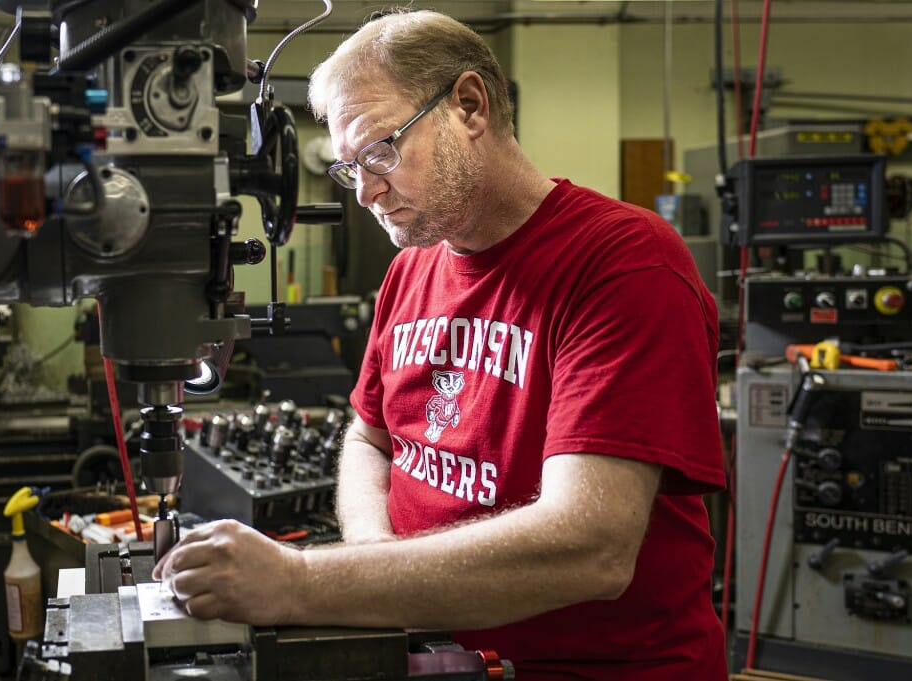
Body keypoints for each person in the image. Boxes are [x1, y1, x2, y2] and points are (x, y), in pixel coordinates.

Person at [153, 9, 727, 680]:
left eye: (379, 152)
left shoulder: (623, 263)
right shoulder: (412, 270)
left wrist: (303, 581)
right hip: (439, 656)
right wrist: (375, 563)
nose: (365, 191)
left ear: (470, 106)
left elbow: (591, 546)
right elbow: (369, 439)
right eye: (348, 169)